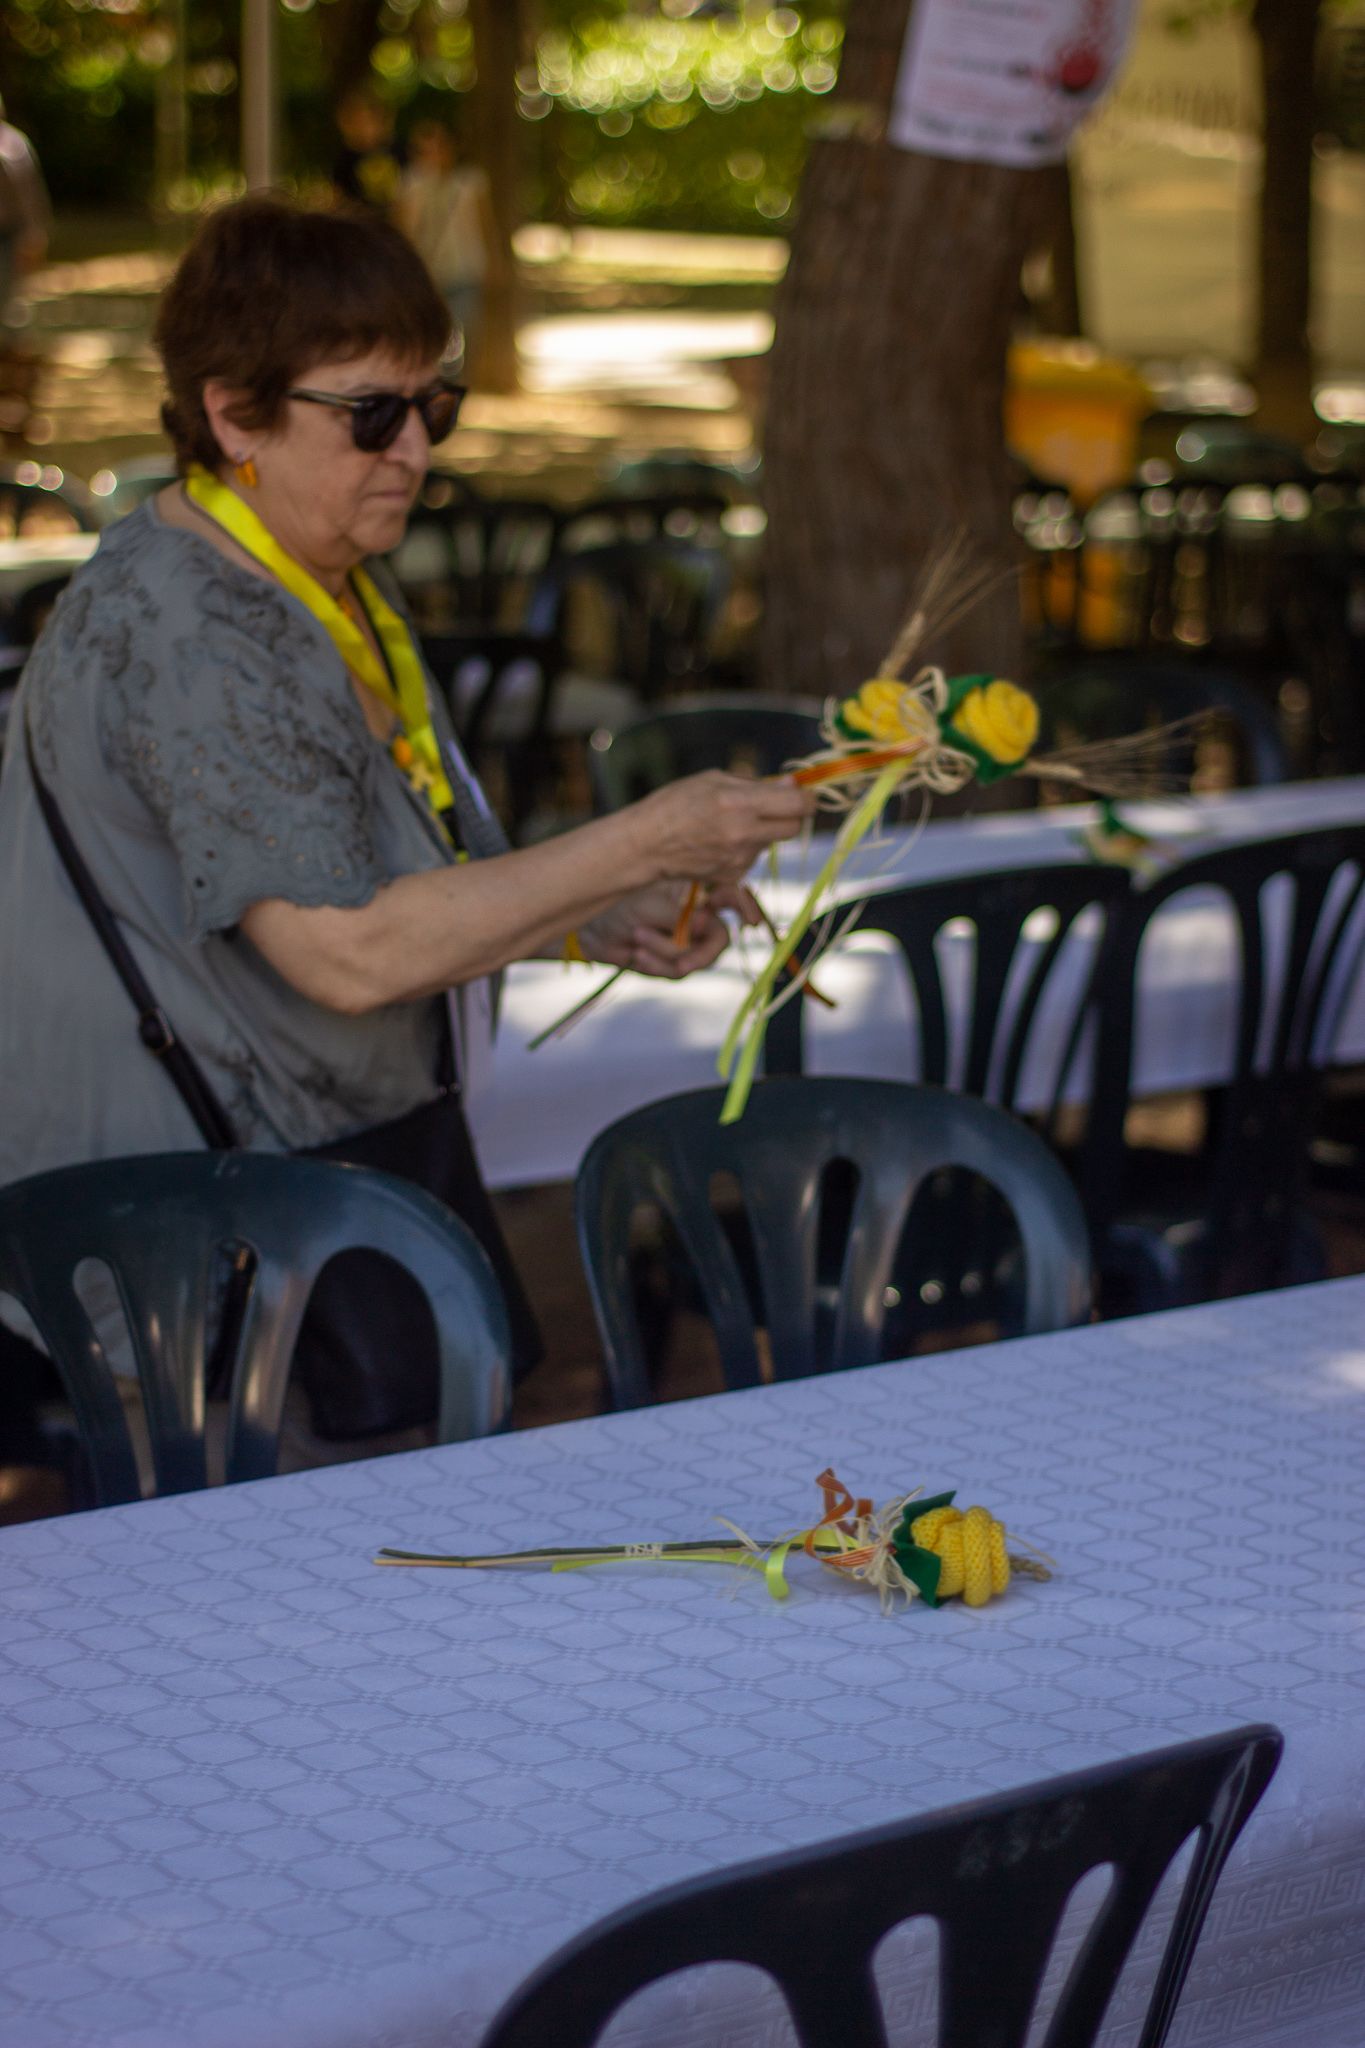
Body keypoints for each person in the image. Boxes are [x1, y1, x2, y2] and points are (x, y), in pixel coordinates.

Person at [0, 196, 811, 1462]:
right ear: (232, 412)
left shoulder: (317, 575)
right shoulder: (195, 626)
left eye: (434, 405)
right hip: (180, 1246)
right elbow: (350, 949)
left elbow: (406, 872)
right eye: (369, 411)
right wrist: (641, 842)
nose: (415, 449)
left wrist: (587, 919)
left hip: (305, 1190)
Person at [394, 119, 500, 376]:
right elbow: (405, 231)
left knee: (462, 333)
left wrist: (494, 263)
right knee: (432, 335)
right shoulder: (410, 184)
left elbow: (486, 225)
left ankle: (453, 386)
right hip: (428, 273)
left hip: (466, 269)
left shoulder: (471, 182)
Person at [0, 94, 49, 323]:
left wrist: (33, 234)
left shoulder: (12, 144)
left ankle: (11, 344)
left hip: (8, 231)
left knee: (9, 292)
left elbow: (29, 193)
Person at [332, 88, 405, 213]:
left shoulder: (398, 150)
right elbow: (340, 197)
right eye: (358, 122)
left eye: (368, 120)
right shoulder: (346, 159)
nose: (364, 128)